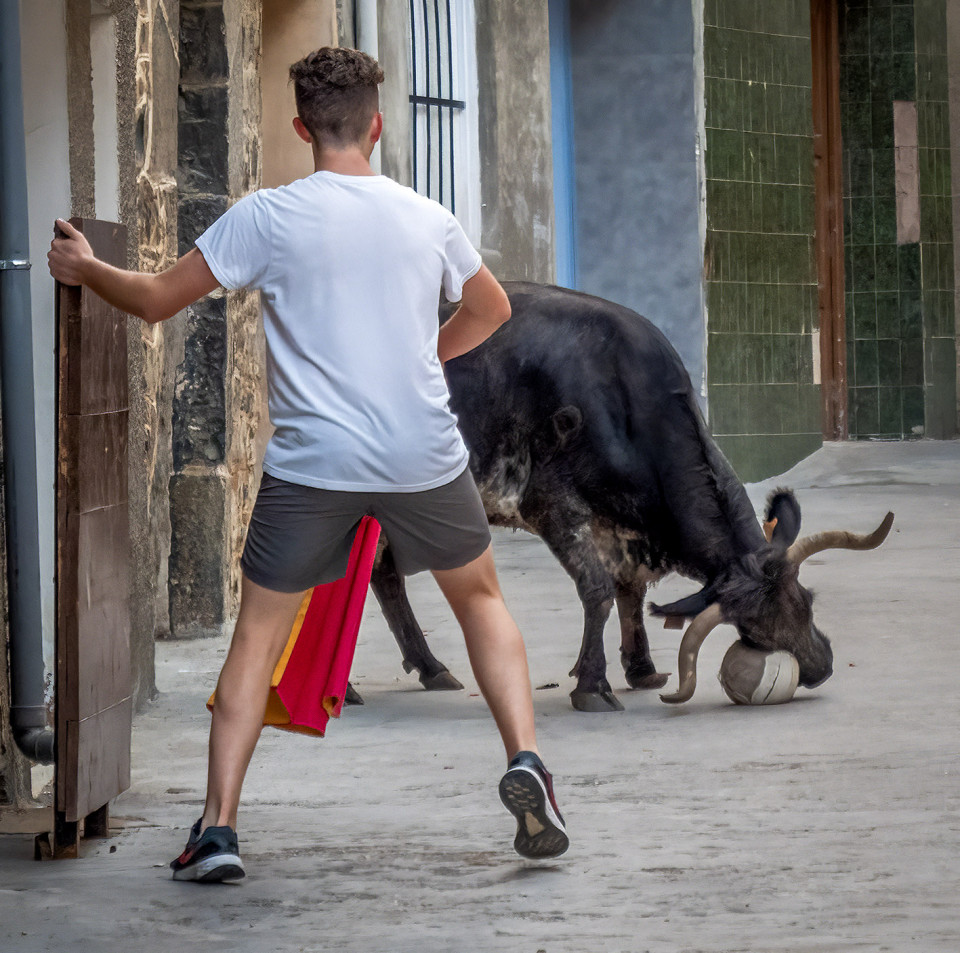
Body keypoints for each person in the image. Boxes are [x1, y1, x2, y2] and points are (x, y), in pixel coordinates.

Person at [48, 46, 568, 882]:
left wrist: (85, 267)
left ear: (301, 128)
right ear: (377, 125)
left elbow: (154, 300)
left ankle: (218, 830)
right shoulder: (426, 217)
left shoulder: (266, 217)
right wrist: (425, 358)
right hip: (420, 451)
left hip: (315, 463)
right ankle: (526, 760)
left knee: (258, 636)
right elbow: (492, 307)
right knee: (480, 601)